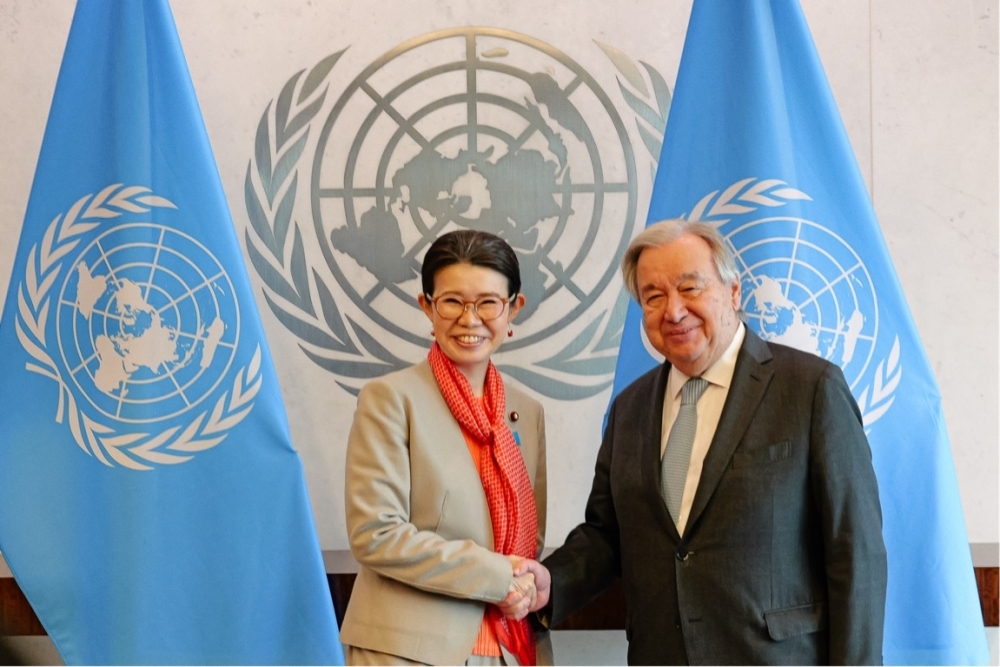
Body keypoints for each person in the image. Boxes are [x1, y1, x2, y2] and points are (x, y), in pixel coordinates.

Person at [530, 219, 887, 665]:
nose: (673, 311)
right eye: (653, 297)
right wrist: (551, 583)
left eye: (690, 288)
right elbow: (608, 535)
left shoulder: (811, 389)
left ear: (734, 292)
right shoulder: (630, 408)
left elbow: (855, 552)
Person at [340, 229, 549, 666]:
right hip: (411, 650)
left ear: (514, 309)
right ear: (427, 307)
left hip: (512, 645)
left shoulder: (525, 411)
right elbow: (376, 534)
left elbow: (529, 542)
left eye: (488, 303)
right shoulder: (390, 398)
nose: (470, 320)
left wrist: (522, 586)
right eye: (452, 301)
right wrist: (498, 576)